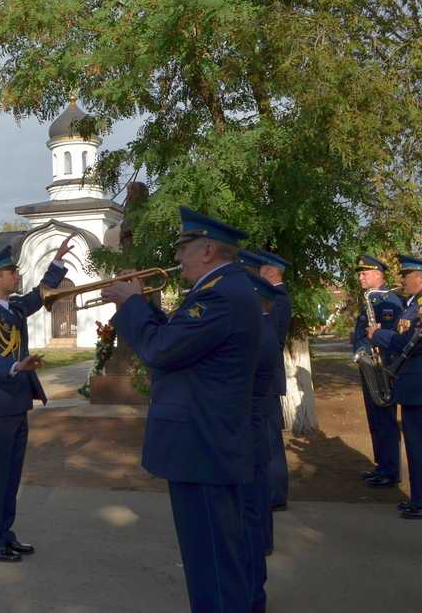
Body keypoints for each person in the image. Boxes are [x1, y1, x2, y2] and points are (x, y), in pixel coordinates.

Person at [102, 207, 261, 613]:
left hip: (201, 445)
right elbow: (177, 339)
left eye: (183, 249)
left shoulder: (220, 295)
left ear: (207, 250)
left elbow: (160, 349)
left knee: (211, 564)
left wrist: (132, 304)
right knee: (220, 558)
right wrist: (140, 306)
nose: (177, 258)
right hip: (206, 441)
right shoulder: (222, 290)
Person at [0, 236, 72, 563]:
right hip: (0, 402)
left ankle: (5, 534)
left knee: (12, 475)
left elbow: (40, 295)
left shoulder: (13, 308)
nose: (17, 276)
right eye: (12, 272)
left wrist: (56, 262)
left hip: (17, 402)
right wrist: (14, 365)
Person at [369, 255, 422, 519]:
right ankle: (419, 497)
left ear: (421, 279)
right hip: (410, 383)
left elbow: (420, 343)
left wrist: (379, 335)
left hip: (421, 383)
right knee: (415, 443)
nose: (401, 280)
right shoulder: (412, 304)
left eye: (406, 275)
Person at [244, 272, 285, 610]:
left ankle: (262, 541)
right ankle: (263, 540)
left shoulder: (259, 328)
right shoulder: (261, 324)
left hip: (256, 408)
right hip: (260, 403)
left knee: (262, 471)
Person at [352, 255, 404, 487]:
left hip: (382, 366)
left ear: (378, 275)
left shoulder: (388, 301)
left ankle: (390, 470)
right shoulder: (370, 299)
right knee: (375, 418)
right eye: (360, 273)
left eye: (364, 273)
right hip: (369, 365)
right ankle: (381, 465)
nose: (360, 277)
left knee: (385, 419)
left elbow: (392, 335)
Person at [256, 250, 292, 512]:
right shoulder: (277, 297)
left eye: (259, 271)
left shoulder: (277, 299)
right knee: (267, 437)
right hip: (268, 376)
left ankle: (275, 493)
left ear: (269, 272)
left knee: (270, 439)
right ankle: (272, 491)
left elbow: (271, 340)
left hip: (266, 377)